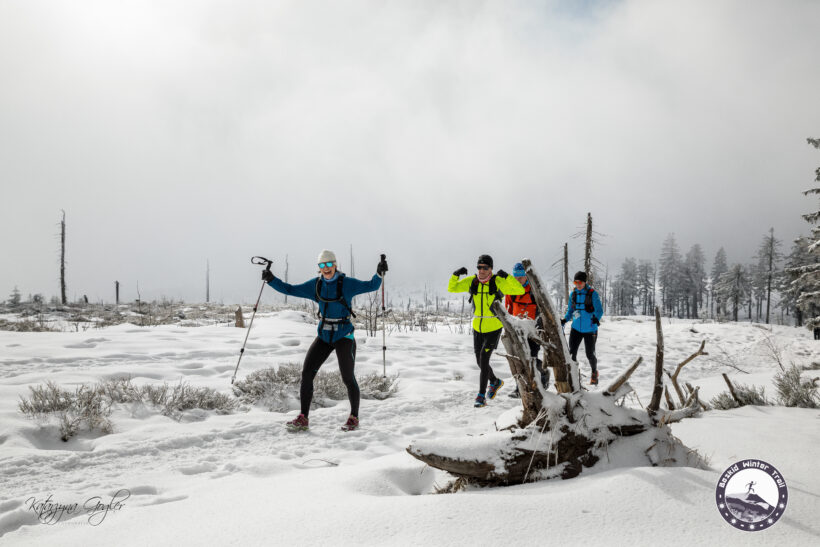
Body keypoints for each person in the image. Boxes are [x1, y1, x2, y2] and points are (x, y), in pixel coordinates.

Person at [263, 250, 387, 431]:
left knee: (348, 377)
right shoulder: (316, 285)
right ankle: (303, 417)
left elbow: (371, 286)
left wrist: (378, 273)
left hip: (344, 335)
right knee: (306, 373)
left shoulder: (347, 284)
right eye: (322, 265)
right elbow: (290, 289)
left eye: (329, 264)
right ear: (319, 268)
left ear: (335, 265)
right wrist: (271, 279)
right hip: (324, 335)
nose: (326, 268)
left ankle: (354, 417)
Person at [448, 254, 525, 407]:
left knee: (484, 359)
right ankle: (495, 381)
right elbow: (452, 288)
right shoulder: (472, 281)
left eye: (485, 268)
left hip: (493, 327)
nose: (481, 270)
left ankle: (481, 396)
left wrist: (508, 276)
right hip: (478, 326)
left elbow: (519, 290)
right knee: (479, 361)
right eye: (479, 267)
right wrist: (455, 274)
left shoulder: (498, 281)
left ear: (491, 268)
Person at [505, 262, 550, 398]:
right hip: (518, 329)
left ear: (526, 276)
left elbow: (543, 309)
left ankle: (543, 374)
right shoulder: (511, 290)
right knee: (520, 358)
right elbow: (508, 310)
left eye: (521, 277)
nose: (518, 279)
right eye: (516, 277)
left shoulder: (534, 289)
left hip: (533, 329)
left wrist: (542, 326)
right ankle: (521, 388)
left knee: (532, 357)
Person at [561, 271, 604, 385]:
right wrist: (565, 319)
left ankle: (594, 372)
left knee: (590, 354)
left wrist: (596, 318)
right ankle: (573, 376)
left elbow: (599, 310)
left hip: (590, 329)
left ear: (585, 282)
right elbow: (570, 310)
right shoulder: (573, 294)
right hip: (576, 328)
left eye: (580, 282)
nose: (578, 284)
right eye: (576, 282)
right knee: (572, 353)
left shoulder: (592, 294)